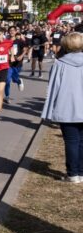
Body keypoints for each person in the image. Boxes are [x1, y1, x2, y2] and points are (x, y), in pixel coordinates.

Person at [41, 32, 83, 182]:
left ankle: (73, 174)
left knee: (71, 141)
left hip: (67, 107)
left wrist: (48, 110)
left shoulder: (60, 64)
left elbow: (53, 87)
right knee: (81, 141)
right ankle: (81, 172)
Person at [4, 29, 27, 103]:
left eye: (13, 30)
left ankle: (19, 81)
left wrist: (21, 56)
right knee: (7, 79)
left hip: (17, 63)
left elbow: (25, 49)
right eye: (10, 30)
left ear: (15, 32)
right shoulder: (6, 41)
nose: (12, 32)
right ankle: (7, 96)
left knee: (14, 79)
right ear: (8, 32)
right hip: (8, 62)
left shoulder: (19, 41)